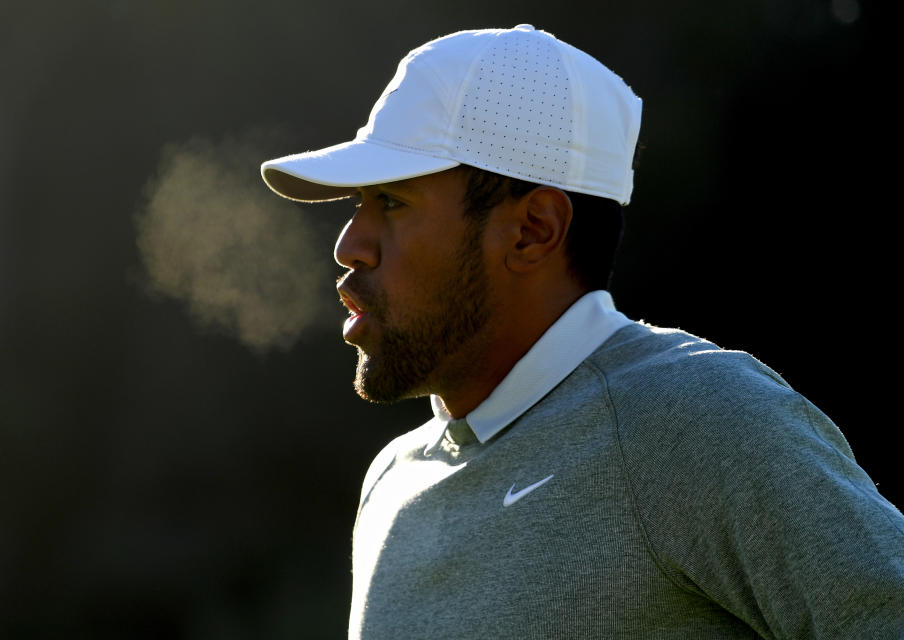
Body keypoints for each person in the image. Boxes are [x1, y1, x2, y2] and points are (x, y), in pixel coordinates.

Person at [260, 25, 904, 640]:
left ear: (533, 230)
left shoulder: (699, 421)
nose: (350, 246)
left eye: (392, 202)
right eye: (357, 205)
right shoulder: (392, 480)